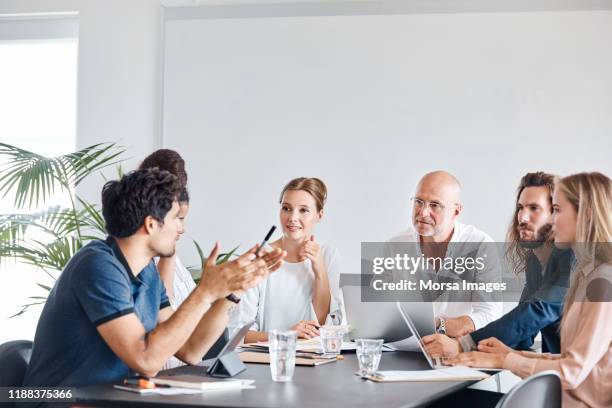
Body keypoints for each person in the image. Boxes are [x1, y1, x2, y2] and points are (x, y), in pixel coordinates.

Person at [23, 169, 285, 387]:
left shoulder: (147, 271)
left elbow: (191, 350)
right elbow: (147, 360)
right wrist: (204, 291)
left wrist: (232, 291)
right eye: (176, 218)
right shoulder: (97, 265)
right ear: (151, 224)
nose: (181, 228)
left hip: (112, 399)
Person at [447, 172, 612, 408]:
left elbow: (571, 370)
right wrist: (506, 355)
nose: (552, 221)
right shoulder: (587, 276)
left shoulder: (602, 282)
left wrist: (501, 360)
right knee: (458, 400)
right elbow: (569, 359)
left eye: (556, 209)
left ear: (585, 214)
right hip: (563, 398)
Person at [423, 172, 573, 358]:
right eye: (520, 208)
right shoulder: (535, 261)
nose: (522, 218)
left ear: (556, 214)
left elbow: (537, 311)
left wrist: (464, 345)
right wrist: (461, 347)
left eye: (534, 208)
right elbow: (523, 335)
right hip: (558, 377)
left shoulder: (573, 258)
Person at [387, 170, 502, 337]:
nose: (423, 212)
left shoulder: (481, 246)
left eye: (435, 205)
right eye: (419, 202)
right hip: (403, 349)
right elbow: (382, 311)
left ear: (456, 211)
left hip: (458, 351)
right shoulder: (394, 246)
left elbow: (490, 315)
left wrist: (439, 326)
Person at [231, 177, 341, 342]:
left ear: (319, 215)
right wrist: (286, 336)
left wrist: (320, 272)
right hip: (263, 360)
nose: (292, 217)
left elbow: (322, 325)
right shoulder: (259, 259)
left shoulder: (328, 255)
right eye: (286, 208)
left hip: (312, 357)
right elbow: (238, 335)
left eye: (303, 210)